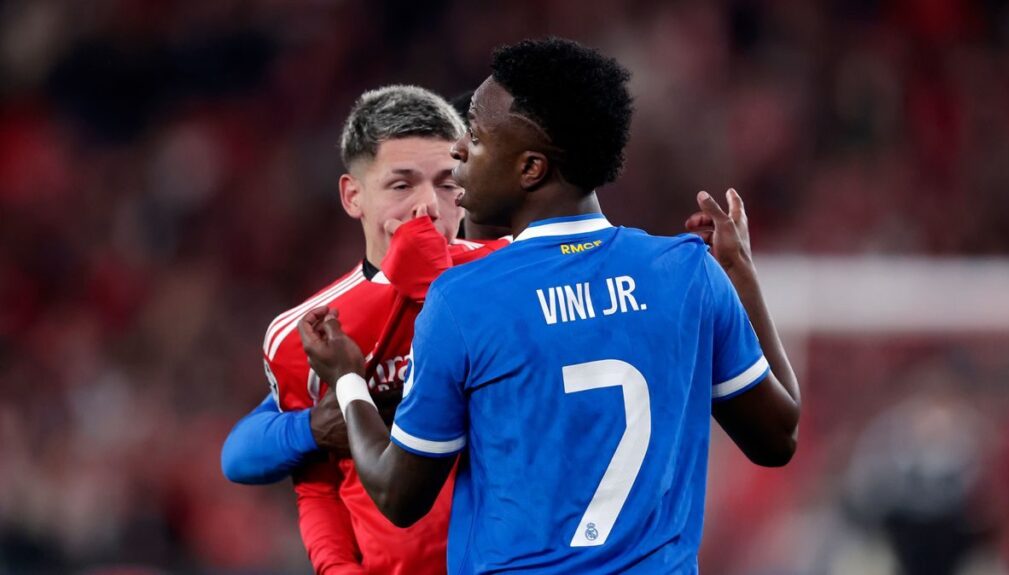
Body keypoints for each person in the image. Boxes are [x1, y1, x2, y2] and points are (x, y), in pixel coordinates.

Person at [299, 38, 801, 574]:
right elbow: (777, 437)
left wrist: (348, 380)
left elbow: (399, 496)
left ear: (531, 168)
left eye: (477, 136)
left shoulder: (464, 300)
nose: (459, 152)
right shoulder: (687, 273)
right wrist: (741, 274)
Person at [228, 84, 508, 575]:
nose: (428, 207)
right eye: (402, 185)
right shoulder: (311, 331)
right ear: (352, 196)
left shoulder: (515, 278)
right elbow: (313, 484)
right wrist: (336, 568)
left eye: (447, 183)